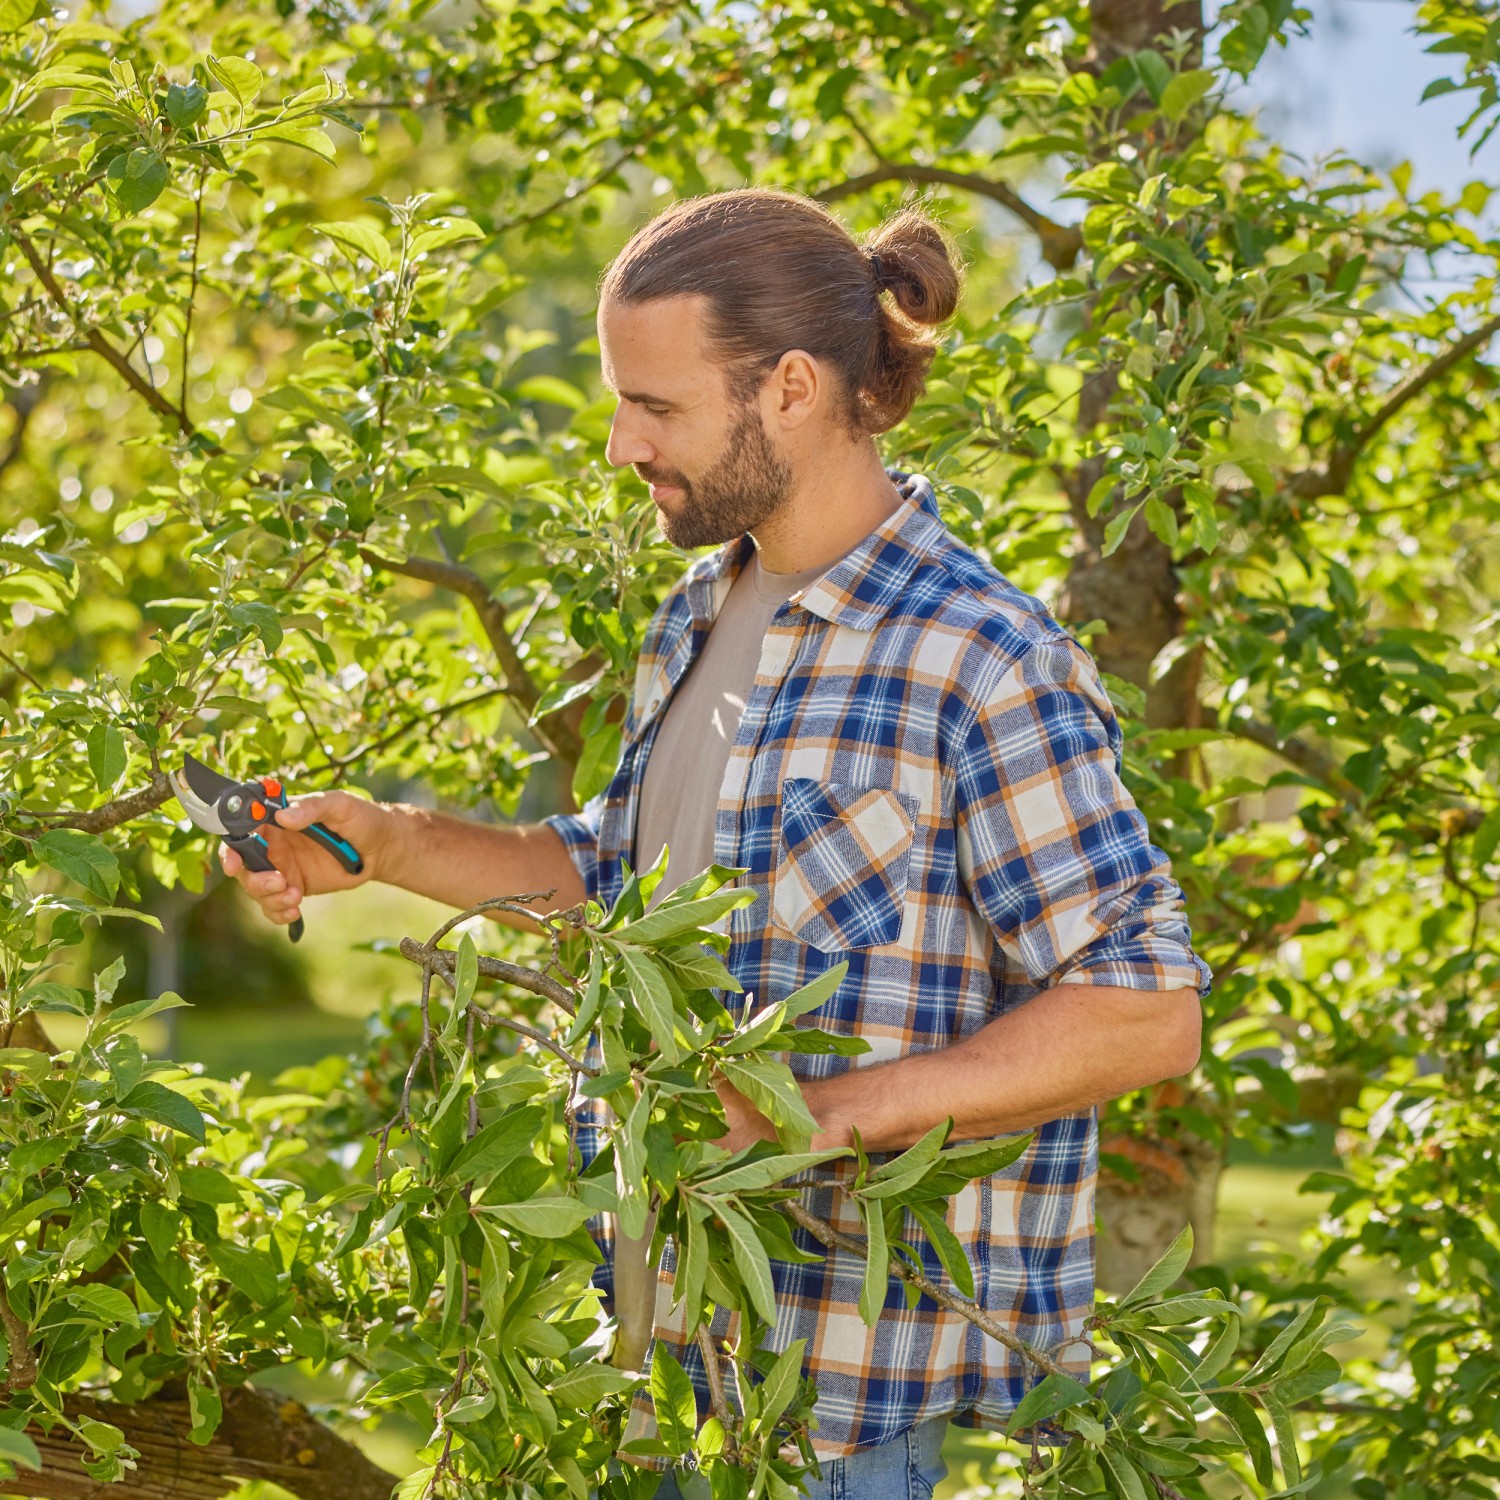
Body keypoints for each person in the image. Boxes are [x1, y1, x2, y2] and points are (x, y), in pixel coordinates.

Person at [221, 188, 1212, 1500]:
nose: (623, 444)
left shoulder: (979, 660)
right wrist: (380, 841)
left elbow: (1146, 1014)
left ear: (793, 388)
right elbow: (612, 879)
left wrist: (809, 1119)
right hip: (679, 1355)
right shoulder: (699, 612)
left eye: (659, 405)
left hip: (861, 1409)